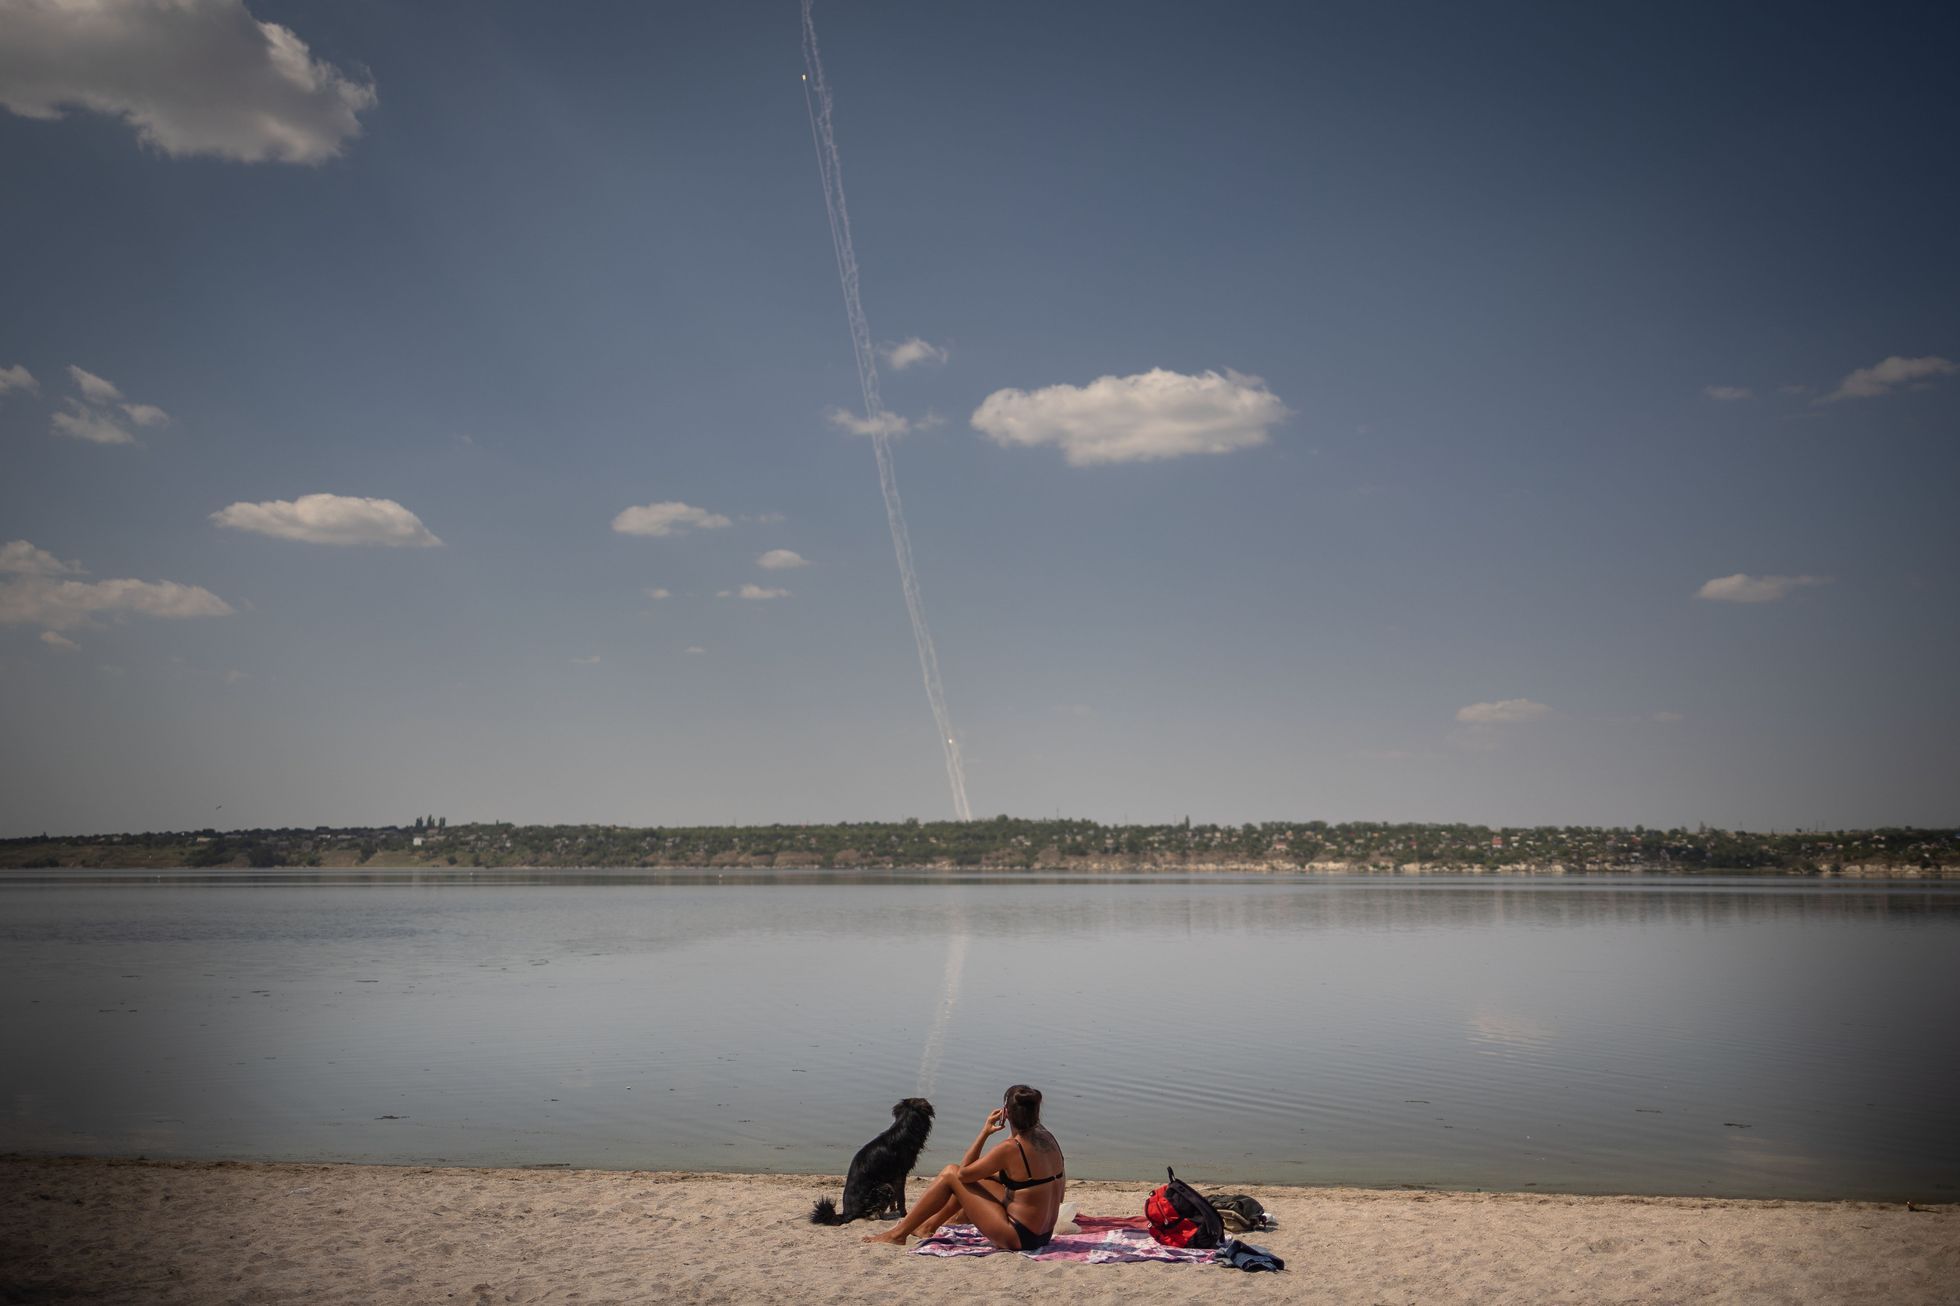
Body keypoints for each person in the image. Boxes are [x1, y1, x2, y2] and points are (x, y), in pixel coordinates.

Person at [862, 1084, 1064, 1250]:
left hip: (1019, 1237)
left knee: (951, 1173)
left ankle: (898, 1234)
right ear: (1036, 1113)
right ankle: (928, 1226)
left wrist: (985, 1132)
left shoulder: (1010, 1148)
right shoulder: (1048, 1138)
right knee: (980, 1178)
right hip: (1042, 1235)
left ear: (1006, 1113)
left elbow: (964, 1173)